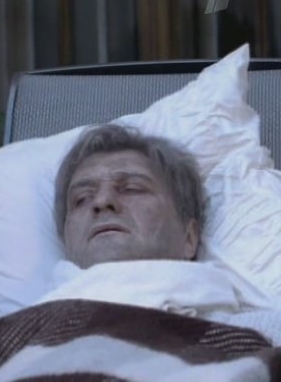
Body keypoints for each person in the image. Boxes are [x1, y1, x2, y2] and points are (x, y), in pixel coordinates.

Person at [45, 124, 280, 344]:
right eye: (81, 199)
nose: (102, 201)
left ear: (189, 238)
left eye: (132, 189)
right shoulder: (26, 334)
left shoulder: (262, 337)